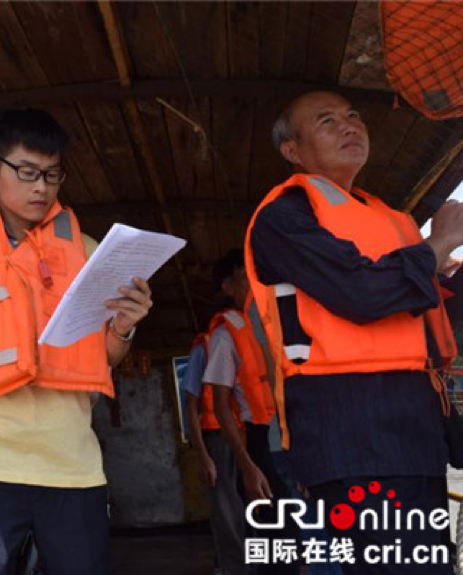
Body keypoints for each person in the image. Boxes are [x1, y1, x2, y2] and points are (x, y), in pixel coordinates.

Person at [0, 108, 153, 575]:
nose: (41, 188)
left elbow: (103, 357)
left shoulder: (86, 250)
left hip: (74, 465)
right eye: (27, 173)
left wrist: (124, 326)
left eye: (52, 175)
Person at [245, 91, 463, 574]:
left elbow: (429, 310)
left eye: (353, 117)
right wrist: (442, 239)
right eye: (327, 121)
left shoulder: (389, 217)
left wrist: (445, 264)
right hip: (353, 431)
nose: (349, 127)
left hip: (415, 427)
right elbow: (361, 294)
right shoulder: (283, 217)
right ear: (293, 152)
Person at [205, 249, 297, 574]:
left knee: (305, 532)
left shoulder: (277, 318)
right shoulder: (224, 336)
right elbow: (220, 402)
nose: (254, 279)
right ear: (228, 287)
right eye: (244, 275)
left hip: (296, 433)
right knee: (277, 535)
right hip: (262, 442)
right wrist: (246, 464)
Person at [183, 330, 248, 575]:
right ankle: (233, 568)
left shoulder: (244, 342)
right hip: (217, 439)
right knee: (226, 510)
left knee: (246, 507)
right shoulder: (203, 350)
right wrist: (204, 456)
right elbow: (191, 405)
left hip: (244, 434)